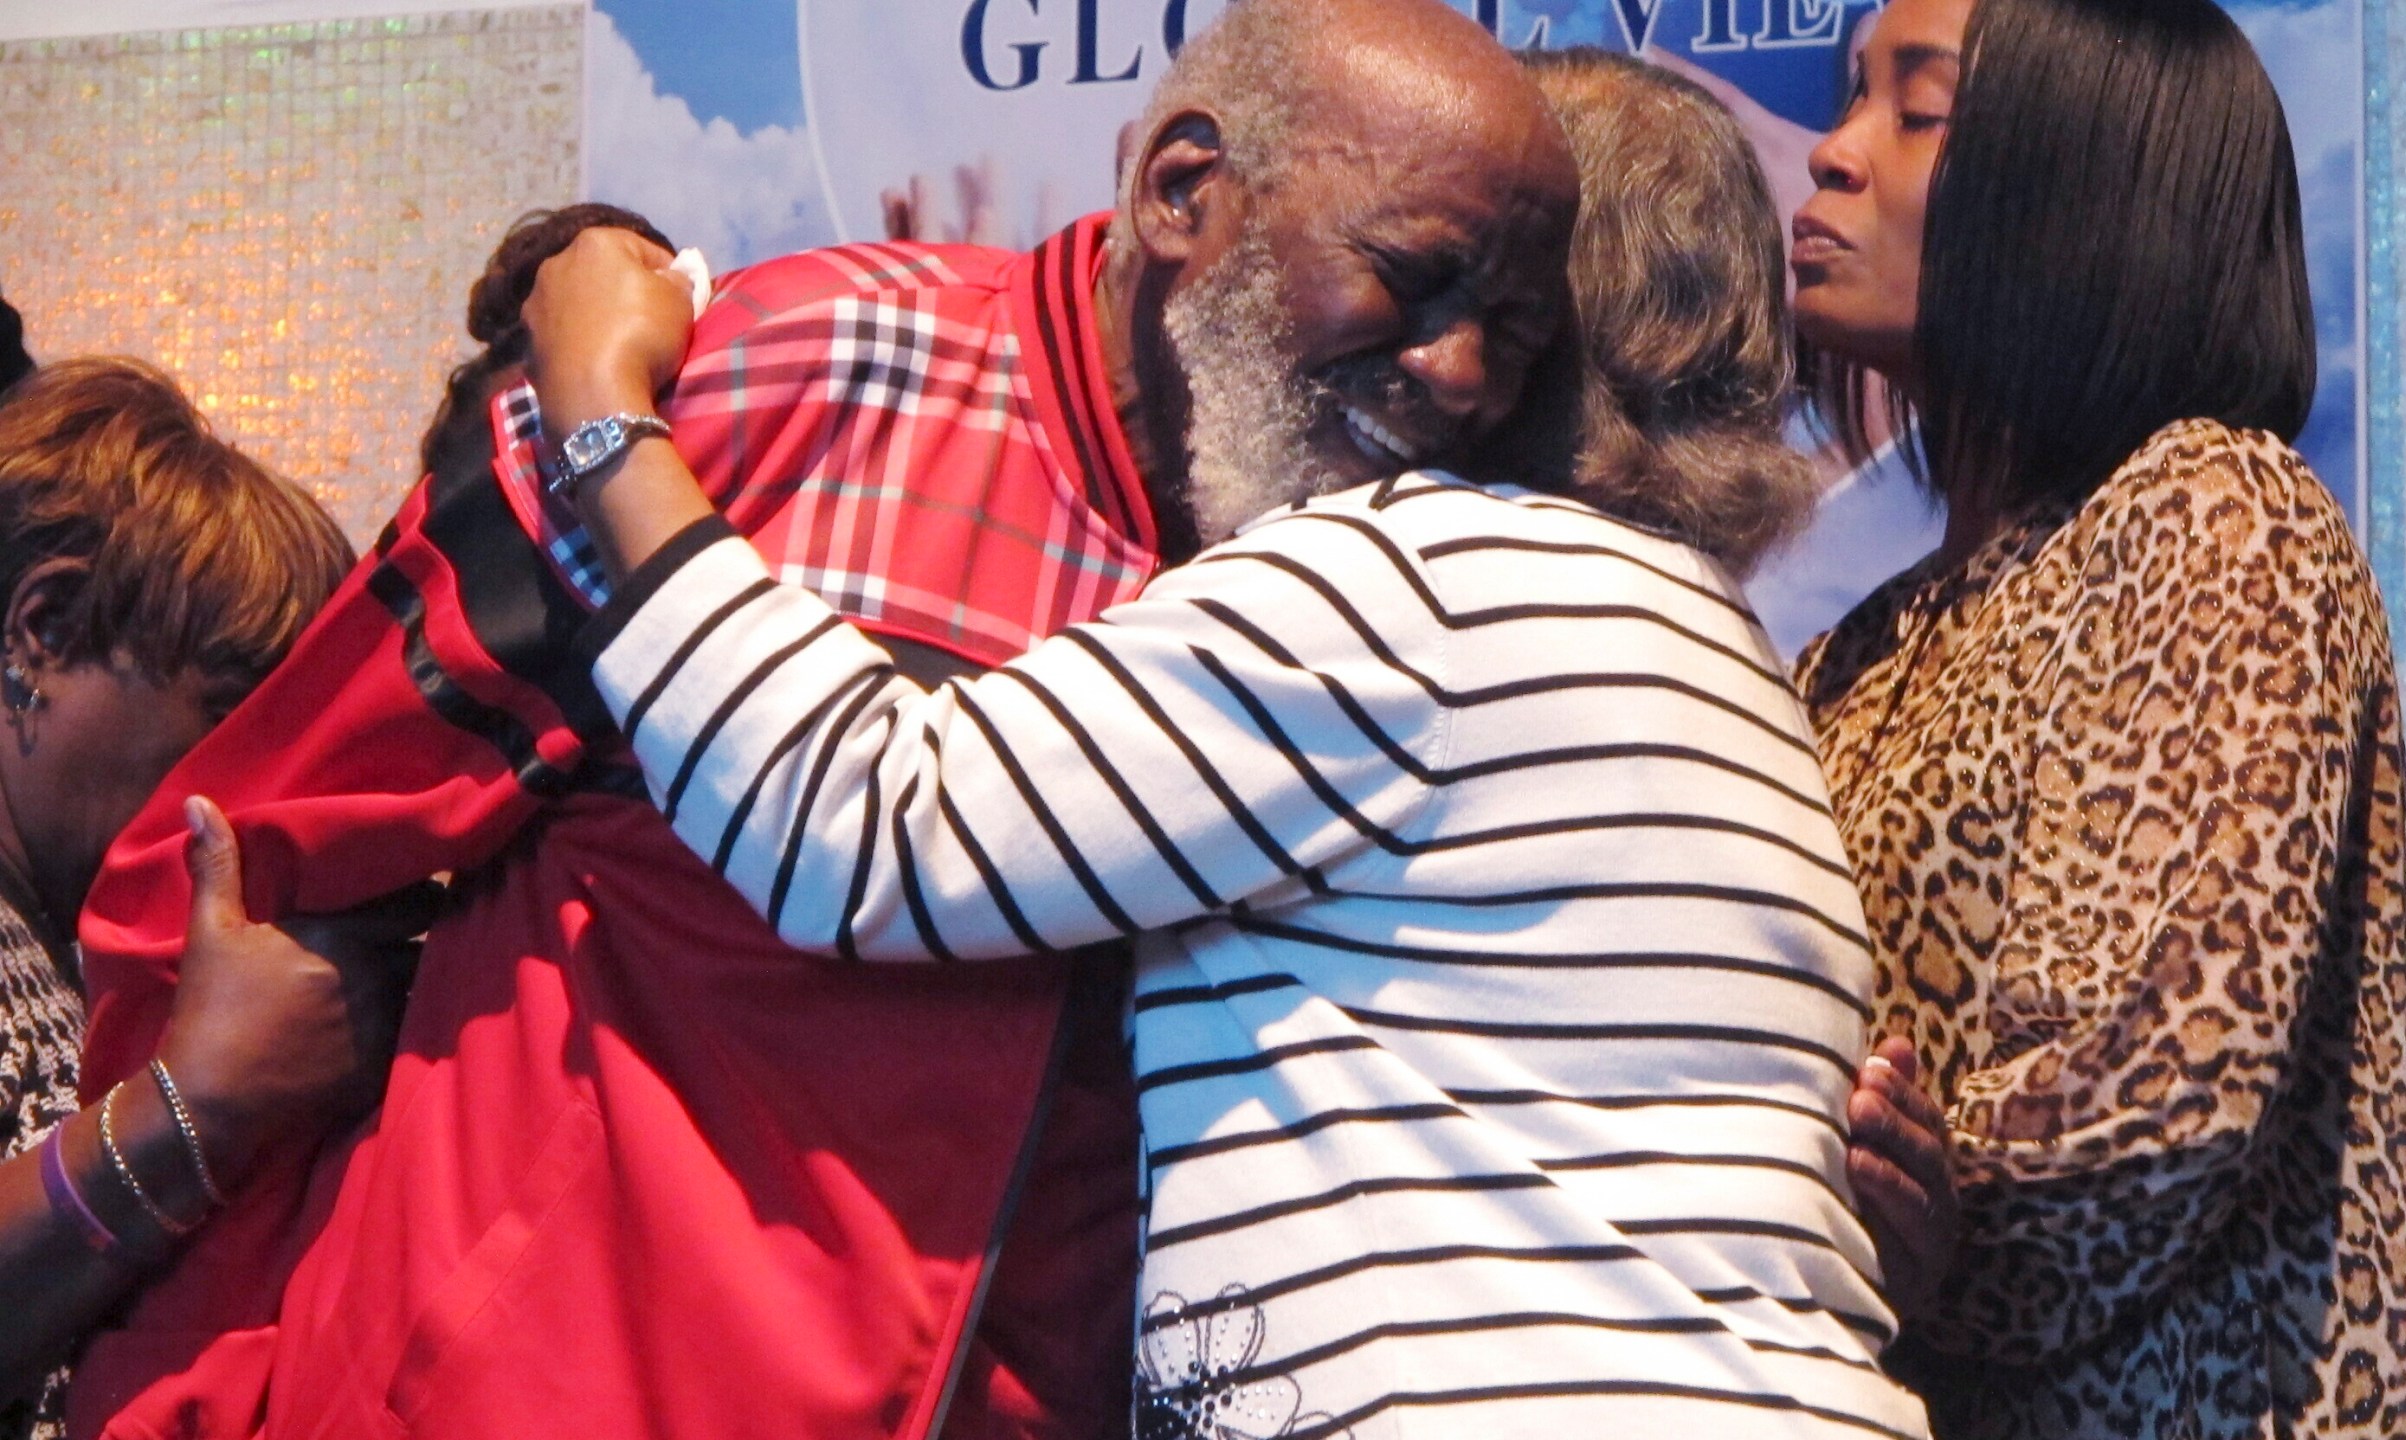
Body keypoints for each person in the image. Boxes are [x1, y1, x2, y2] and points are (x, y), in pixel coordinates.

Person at [68, 4, 1581, 1436]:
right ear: (1184, 190)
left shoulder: (1403, 607)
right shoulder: (769, 381)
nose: (1459, 375)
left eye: (1512, 331)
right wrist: (192, 1399)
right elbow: (247, 859)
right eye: (1414, 276)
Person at [518, 30, 1927, 1439]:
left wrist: (604, 426)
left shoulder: (1410, 585)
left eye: (1495, 303)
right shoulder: (1700, 634)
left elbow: (867, 828)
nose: (1450, 367)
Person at [1785, 0, 2406, 1434]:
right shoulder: (1855, 649)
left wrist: (1880, 1231)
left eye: (1918, 112)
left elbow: (2162, 1093)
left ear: (2083, 181)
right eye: (1850, 101)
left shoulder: (2216, 512)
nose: (1831, 158)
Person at [0, 358, 411, 1440]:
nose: (253, 787)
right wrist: (204, 1103)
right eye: (229, 723)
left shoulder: (57, 937)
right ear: (43, 630)